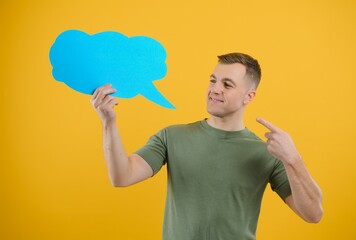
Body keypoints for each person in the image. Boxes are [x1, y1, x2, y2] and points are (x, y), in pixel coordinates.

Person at [91, 52, 323, 240]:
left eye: (227, 84)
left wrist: (293, 159)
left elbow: (313, 214)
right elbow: (122, 177)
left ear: (249, 97)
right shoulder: (171, 137)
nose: (215, 89)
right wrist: (109, 122)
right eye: (213, 80)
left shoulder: (267, 153)